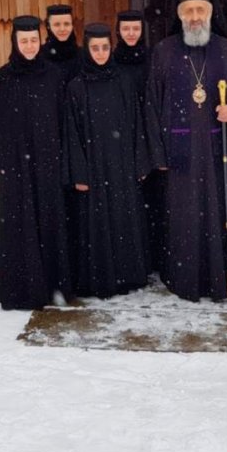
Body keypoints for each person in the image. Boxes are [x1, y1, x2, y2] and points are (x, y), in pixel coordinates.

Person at [145, 0, 227, 301]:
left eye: (201, 9)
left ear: (211, 13)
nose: (196, 16)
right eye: (189, 10)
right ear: (180, 15)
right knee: (182, 217)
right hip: (179, 153)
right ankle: (183, 278)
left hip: (216, 151)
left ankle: (217, 277)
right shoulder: (164, 51)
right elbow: (151, 104)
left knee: (216, 214)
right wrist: (158, 154)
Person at [0, 15, 72, 310]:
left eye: (34, 40)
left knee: (49, 221)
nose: (30, 46)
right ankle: (19, 289)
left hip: (48, 162)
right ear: (15, 43)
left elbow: (65, 122)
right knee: (17, 224)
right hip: (14, 163)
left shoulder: (54, 76)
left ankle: (51, 286)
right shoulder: (2, 77)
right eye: (24, 41)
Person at [64, 24, 151, 298]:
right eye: (95, 48)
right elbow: (72, 134)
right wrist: (79, 173)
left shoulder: (124, 80)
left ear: (110, 48)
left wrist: (140, 162)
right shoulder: (77, 87)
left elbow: (137, 123)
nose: (100, 53)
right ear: (87, 50)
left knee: (124, 219)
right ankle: (99, 279)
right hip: (93, 167)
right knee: (96, 223)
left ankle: (128, 275)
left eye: (104, 47)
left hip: (122, 165)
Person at [113, 8, 162, 273]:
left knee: (154, 199)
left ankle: (154, 256)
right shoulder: (111, 61)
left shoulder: (153, 58)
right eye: (125, 29)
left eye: (135, 29)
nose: (131, 34)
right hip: (123, 137)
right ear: (118, 31)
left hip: (152, 131)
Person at [43, 3, 81, 84]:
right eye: (57, 24)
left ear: (72, 26)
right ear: (48, 26)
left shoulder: (83, 56)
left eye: (66, 24)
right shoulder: (40, 56)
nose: (62, 29)